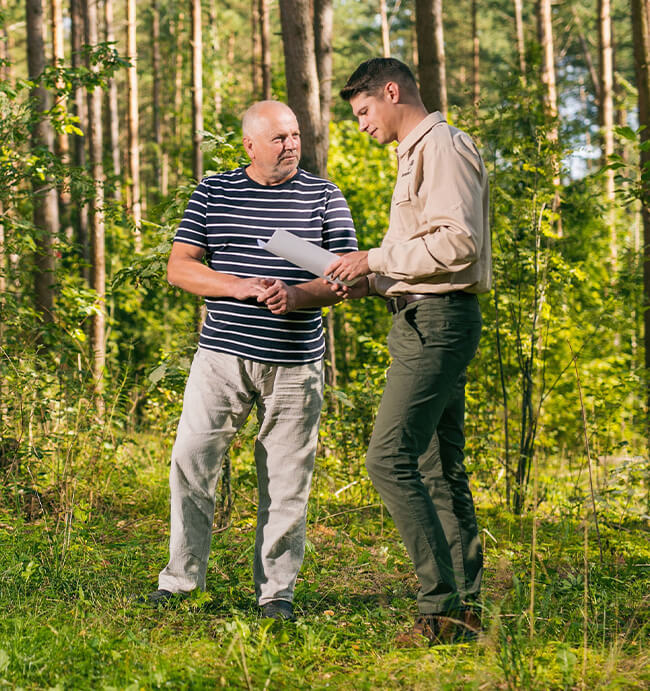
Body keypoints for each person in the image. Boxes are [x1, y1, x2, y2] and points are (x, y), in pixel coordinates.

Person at [143, 100, 359, 621]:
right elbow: (180, 268)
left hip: (295, 363)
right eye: (278, 138)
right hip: (220, 356)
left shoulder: (324, 196)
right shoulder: (214, 191)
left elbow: (348, 278)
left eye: (294, 135)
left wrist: (299, 296)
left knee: (286, 479)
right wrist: (238, 287)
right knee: (191, 463)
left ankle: (276, 595)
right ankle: (180, 581)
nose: (290, 145)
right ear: (249, 145)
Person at [325, 58, 491, 645]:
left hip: (438, 322)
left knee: (387, 459)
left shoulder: (440, 147)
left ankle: (439, 607)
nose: (362, 125)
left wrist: (371, 258)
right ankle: (462, 611)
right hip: (423, 317)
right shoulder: (416, 154)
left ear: (391, 92)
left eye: (364, 111)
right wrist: (363, 278)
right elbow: (421, 253)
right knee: (436, 467)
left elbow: (458, 243)